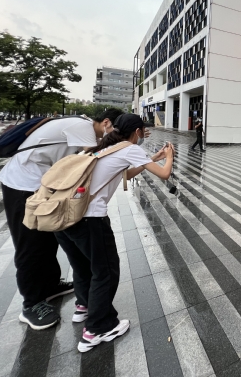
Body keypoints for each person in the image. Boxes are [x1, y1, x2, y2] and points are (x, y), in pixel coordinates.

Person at [55, 114, 174, 352]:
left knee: (82, 266)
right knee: (106, 272)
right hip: (90, 219)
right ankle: (97, 329)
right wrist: (169, 157)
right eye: (142, 132)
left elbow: (124, 174)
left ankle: (84, 307)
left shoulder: (103, 147)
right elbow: (164, 174)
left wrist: (153, 158)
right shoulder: (129, 148)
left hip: (64, 215)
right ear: (137, 132)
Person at [0, 108, 124, 330]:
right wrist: (130, 142)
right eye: (116, 129)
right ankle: (32, 303)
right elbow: (96, 156)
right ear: (106, 122)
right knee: (30, 245)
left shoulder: (81, 126)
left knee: (49, 238)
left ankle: (50, 285)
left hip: (42, 185)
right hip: (21, 184)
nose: (116, 134)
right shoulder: (83, 127)